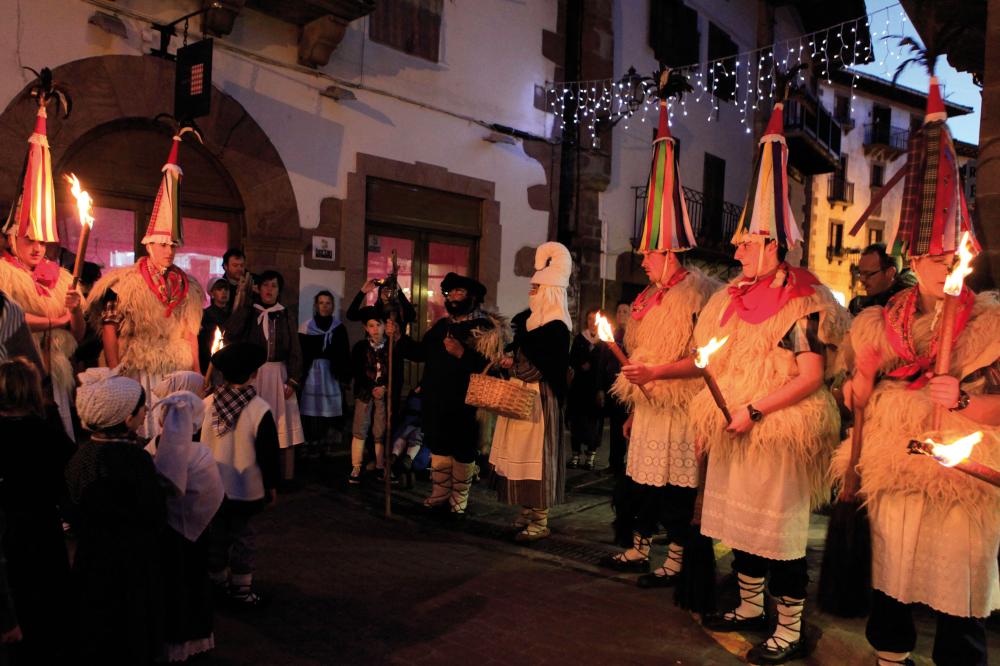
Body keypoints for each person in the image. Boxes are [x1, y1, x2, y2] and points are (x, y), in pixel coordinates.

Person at [833, 74, 999, 666]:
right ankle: (889, 658)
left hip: (961, 471)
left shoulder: (991, 324)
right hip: (893, 460)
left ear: (964, 257)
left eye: (949, 255)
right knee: (893, 574)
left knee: (957, 584)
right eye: (929, 254)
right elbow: (860, 387)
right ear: (912, 256)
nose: (939, 264)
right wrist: (858, 389)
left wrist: (959, 401)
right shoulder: (879, 321)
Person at [687, 97, 850, 663]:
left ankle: (789, 626)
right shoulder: (731, 298)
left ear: (774, 245)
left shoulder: (805, 301)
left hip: (776, 426)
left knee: (778, 536)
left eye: (746, 242)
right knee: (742, 529)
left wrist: (754, 410)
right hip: (735, 426)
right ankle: (751, 606)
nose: (735, 248)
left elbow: (810, 375)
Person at [86, 133, 204, 438]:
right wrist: (115, 373)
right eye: (163, 244)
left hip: (174, 370)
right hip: (138, 368)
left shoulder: (187, 286)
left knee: (172, 433)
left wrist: (198, 371)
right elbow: (110, 327)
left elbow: (191, 332)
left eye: (173, 245)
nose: (168, 250)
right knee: (138, 430)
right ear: (149, 244)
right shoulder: (125, 283)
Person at [66, 370, 166, 664]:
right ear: (126, 418)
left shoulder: (79, 457)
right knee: (129, 629)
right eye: (141, 408)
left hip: (90, 558)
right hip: (131, 563)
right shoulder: (136, 461)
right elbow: (153, 513)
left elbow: (71, 505)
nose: (145, 411)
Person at [395, 272, 508, 514]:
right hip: (436, 399)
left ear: (472, 297)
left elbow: (492, 366)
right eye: (450, 293)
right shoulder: (441, 326)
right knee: (438, 445)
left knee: (462, 448)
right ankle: (440, 491)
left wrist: (462, 354)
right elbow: (420, 353)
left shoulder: (485, 328)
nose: (454, 297)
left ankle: (459, 496)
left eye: (460, 292)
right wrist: (398, 338)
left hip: (465, 402)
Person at [489, 242, 572, 540]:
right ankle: (525, 510)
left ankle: (540, 519)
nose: (531, 293)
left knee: (536, 458)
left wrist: (513, 366)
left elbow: (543, 367)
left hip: (539, 400)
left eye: (536, 288)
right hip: (520, 397)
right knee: (517, 453)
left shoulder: (556, 328)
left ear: (550, 291)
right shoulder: (529, 323)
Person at [0, 358, 74, 663]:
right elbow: (69, 481)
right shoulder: (47, 433)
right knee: (45, 609)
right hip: (42, 530)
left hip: (6, 531)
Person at [147, 382, 224, 662]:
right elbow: (213, 492)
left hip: (161, 534)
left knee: (168, 584)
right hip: (194, 536)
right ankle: (192, 639)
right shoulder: (201, 454)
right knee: (191, 583)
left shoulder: (149, 449)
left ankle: (165, 638)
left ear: (159, 420)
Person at [201, 342, 280, 606]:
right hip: (246, 489)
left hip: (212, 487)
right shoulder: (259, 409)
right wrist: (271, 485)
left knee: (216, 535)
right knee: (244, 537)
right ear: (253, 374)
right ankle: (241, 587)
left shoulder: (207, 404)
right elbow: (268, 454)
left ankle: (215, 580)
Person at [224, 270, 304, 483]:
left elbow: (295, 349)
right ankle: (250, 474)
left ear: (279, 290)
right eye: (266, 285)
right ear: (258, 288)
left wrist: (293, 380)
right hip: (254, 376)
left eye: (274, 286)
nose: (269, 290)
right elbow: (231, 333)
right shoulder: (250, 312)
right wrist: (245, 304)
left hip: (279, 376)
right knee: (253, 425)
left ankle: (282, 477)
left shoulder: (285, 314)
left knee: (282, 425)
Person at [347, 307, 399, 484]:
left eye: (379, 325)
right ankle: (356, 466)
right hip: (365, 393)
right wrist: (371, 387)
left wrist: (384, 387)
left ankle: (380, 465)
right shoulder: (360, 348)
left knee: (380, 429)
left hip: (384, 395)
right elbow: (356, 370)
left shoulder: (392, 347)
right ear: (365, 328)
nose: (375, 329)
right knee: (360, 427)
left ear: (385, 326)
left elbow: (396, 373)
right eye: (371, 326)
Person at [299, 291, 350, 459]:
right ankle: (311, 440)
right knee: (311, 408)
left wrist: (343, 376)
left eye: (328, 303)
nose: (324, 306)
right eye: (321, 303)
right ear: (316, 305)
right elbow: (301, 354)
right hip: (312, 372)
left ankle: (327, 441)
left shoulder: (338, 327)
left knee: (328, 407)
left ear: (332, 306)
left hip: (330, 373)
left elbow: (343, 354)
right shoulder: (306, 327)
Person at [566, 308, 605, 470]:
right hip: (579, 388)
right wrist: (580, 364)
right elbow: (572, 359)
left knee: (594, 422)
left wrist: (602, 388)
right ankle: (575, 455)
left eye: (595, 319)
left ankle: (590, 457)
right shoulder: (579, 339)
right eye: (589, 319)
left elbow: (605, 364)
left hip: (595, 387)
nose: (592, 322)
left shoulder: (604, 340)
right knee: (577, 420)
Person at [598, 300, 632, 478]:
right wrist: (602, 388)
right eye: (619, 311)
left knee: (630, 427)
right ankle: (615, 463)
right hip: (613, 388)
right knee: (615, 427)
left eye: (625, 311)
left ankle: (632, 464)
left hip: (629, 388)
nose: (621, 315)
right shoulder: (611, 335)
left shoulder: (634, 336)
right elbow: (603, 361)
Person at [848, 243, 916, 315]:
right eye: (860, 273)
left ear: (890, 273)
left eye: (868, 274)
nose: (862, 279)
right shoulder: (859, 305)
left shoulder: (906, 305)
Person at [345, 278, 416, 326]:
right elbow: (351, 315)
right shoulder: (371, 311)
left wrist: (400, 292)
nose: (386, 290)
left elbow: (411, 316)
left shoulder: (399, 312)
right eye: (383, 288)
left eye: (389, 288)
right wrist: (362, 292)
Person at [199, 278, 231, 374]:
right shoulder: (205, 315)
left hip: (229, 360)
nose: (223, 292)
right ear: (212, 293)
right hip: (211, 361)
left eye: (226, 289)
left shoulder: (233, 314)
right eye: (219, 289)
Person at [221, 248, 247, 315]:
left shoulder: (253, 281)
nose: (239, 269)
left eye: (242, 265)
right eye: (235, 265)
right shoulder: (220, 286)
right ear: (226, 266)